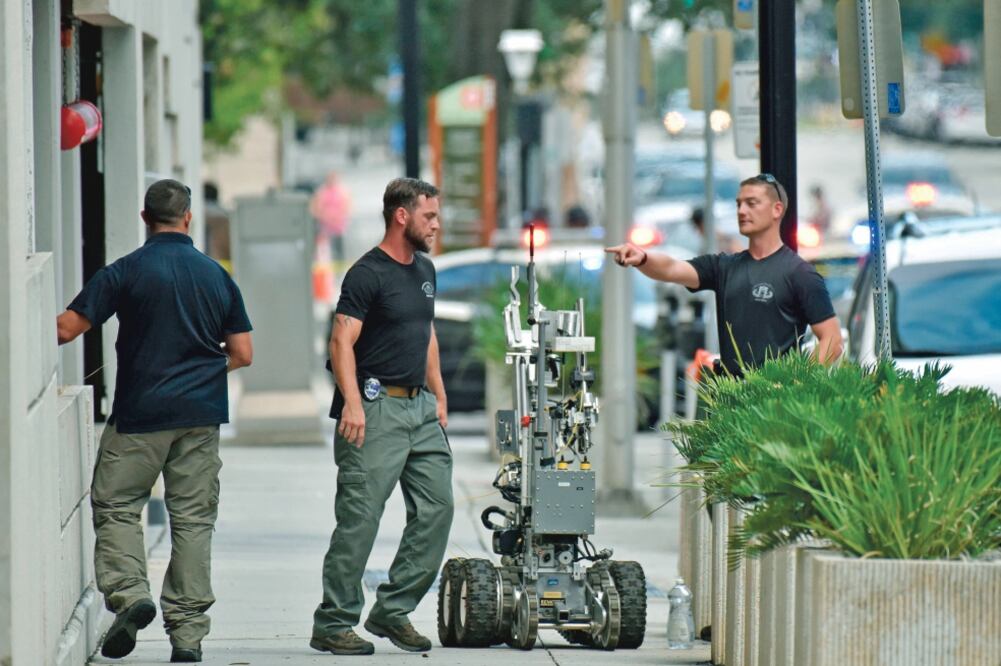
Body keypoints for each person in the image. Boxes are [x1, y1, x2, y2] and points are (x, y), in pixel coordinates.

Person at [56, 179, 254, 663]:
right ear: (188, 218)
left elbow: (67, 328)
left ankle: (130, 593)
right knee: (192, 521)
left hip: (140, 415)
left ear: (145, 219)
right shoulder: (215, 275)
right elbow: (243, 354)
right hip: (200, 418)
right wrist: (207, 371)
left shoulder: (125, 271)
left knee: (118, 505)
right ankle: (187, 634)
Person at [311, 178, 452, 656]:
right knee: (361, 518)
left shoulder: (425, 270)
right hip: (374, 407)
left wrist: (439, 393)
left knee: (437, 509)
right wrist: (351, 402)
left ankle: (392, 610)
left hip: (419, 408)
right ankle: (333, 621)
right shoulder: (366, 273)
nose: (436, 223)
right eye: (429, 216)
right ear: (402, 216)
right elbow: (340, 341)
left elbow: (425, 334)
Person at [606, 174, 843, 376]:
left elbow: (832, 341)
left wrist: (796, 386)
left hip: (775, 412)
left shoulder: (800, 274)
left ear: (776, 210)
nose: (742, 210)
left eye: (752, 203)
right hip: (730, 409)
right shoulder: (723, 267)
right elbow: (671, 268)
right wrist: (643, 258)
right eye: (739, 204)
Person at [310, 171, 352, 262]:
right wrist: (326, 216)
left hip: (339, 228)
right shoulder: (321, 192)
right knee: (323, 253)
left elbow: (347, 208)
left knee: (339, 252)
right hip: (324, 228)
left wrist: (336, 217)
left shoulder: (342, 192)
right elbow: (315, 209)